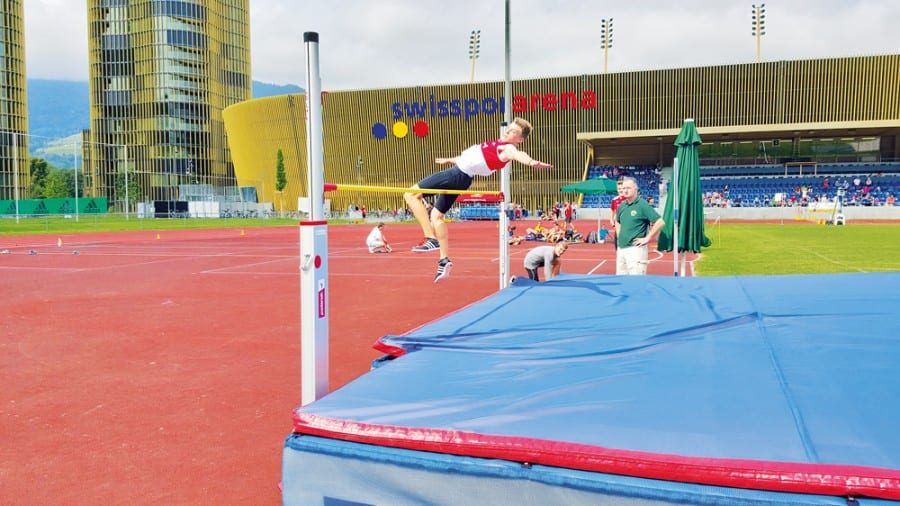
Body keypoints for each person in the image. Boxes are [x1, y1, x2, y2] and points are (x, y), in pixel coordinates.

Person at [403, 117, 553, 282]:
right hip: (462, 176)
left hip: (456, 174)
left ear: (520, 139)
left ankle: (430, 238)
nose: (508, 131)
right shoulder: (497, 145)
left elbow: (518, 154)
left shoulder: (508, 148)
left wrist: (531, 162)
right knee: (436, 216)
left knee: (410, 195)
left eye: (513, 132)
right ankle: (443, 259)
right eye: (509, 128)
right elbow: (472, 159)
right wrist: (451, 159)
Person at [615, 176, 664, 275]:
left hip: (636, 251)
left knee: (636, 282)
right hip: (621, 250)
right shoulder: (621, 206)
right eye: (623, 188)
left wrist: (647, 238)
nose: (625, 190)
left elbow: (660, 222)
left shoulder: (642, 204)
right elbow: (617, 221)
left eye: (628, 188)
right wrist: (620, 236)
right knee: (620, 282)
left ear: (635, 189)